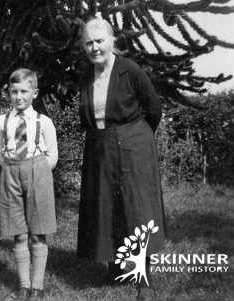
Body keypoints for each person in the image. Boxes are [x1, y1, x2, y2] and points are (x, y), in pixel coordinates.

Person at [76, 18, 167, 301]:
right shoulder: (85, 75)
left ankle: (145, 279)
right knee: (106, 205)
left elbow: (153, 108)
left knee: (136, 208)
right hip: (100, 146)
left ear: (112, 41)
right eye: (89, 43)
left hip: (133, 145)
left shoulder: (131, 71)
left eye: (99, 40)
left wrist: (136, 139)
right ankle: (114, 266)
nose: (94, 47)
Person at [0, 68, 58, 300]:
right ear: (8, 93)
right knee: (19, 233)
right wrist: (13, 168)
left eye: (23, 91)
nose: (18, 97)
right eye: (13, 92)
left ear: (34, 93)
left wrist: (36, 171)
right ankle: (23, 285)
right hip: (11, 171)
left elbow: (52, 156)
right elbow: (0, 152)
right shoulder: (2, 121)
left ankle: (38, 287)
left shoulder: (44, 122)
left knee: (38, 232)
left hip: (37, 171)